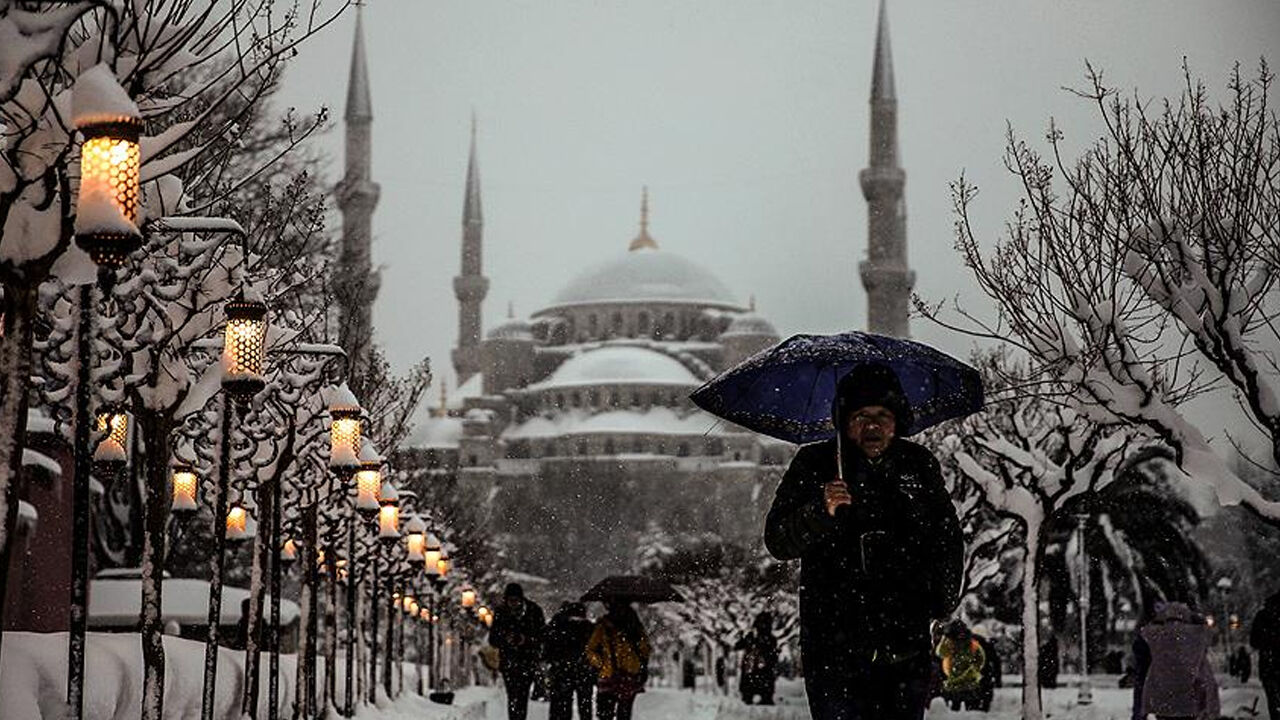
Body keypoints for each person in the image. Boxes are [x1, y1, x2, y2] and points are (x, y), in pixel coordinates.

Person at [764, 362, 964, 720]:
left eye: (882, 415)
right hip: (834, 649)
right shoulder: (816, 464)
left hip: (904, 646)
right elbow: (778, 540)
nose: (872, 426)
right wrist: (819, 511)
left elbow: (947, 537)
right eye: (861, 415)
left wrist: (939, 600)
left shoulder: (917, 465)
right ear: (844, 420)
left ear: (896, 419)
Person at [1140, 601, 1220, 720]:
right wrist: (1198, 620)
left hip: (1163, 698)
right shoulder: (1197, 634)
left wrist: (1159, 619)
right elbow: (1213, 634)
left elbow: (1145, 630)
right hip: (1190, 697)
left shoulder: (1156, 634)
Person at [489, 583, 547, 720]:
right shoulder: (501, 613)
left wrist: (526, 640)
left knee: (522, 695)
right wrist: (505, 639)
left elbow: (542, 637)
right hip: (509, 662)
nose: (513, 604)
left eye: (516, 600)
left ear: (521, 599)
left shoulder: (534, 611)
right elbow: (493, 639)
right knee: (513, 696)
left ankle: (519, 717)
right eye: (510, 601)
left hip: (527, 661)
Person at [586, 600, 651, 720]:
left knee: (605, 713)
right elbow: (645, 650)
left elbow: (591, 650)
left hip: (608, 675)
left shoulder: (603, 626)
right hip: (629, 675)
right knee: (624, 713)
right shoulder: (635, 626)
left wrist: (601, 664)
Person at [544, 602, 596, 720]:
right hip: (583, 670)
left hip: (562, 671)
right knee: (584, 706)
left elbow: (548, 649)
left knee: (562, 706)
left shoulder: (558, 626)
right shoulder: (588, 628)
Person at [934, 620, 985, 711]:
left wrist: (944, 639)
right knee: (970, 709)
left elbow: (940, 653)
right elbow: (981, 659)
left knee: (955, 708)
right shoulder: (972, 643)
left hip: (954, 680)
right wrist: (974, 669)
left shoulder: (949, 643)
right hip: (969, 680)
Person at [735, 611, 780, 705]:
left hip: (757, 668)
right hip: (757, 668)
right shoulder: (757, 637)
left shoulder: (763, 638)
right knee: (759, 686)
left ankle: (758, 698)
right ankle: (758, 698)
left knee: (756, 686)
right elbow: (738, 645)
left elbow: (738, 645)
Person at [1252, 591, 1280, 720]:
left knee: (1273, 699)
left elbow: (1254, 641)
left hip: (1268, 664)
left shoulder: (1262, 616)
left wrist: (1267, 644)